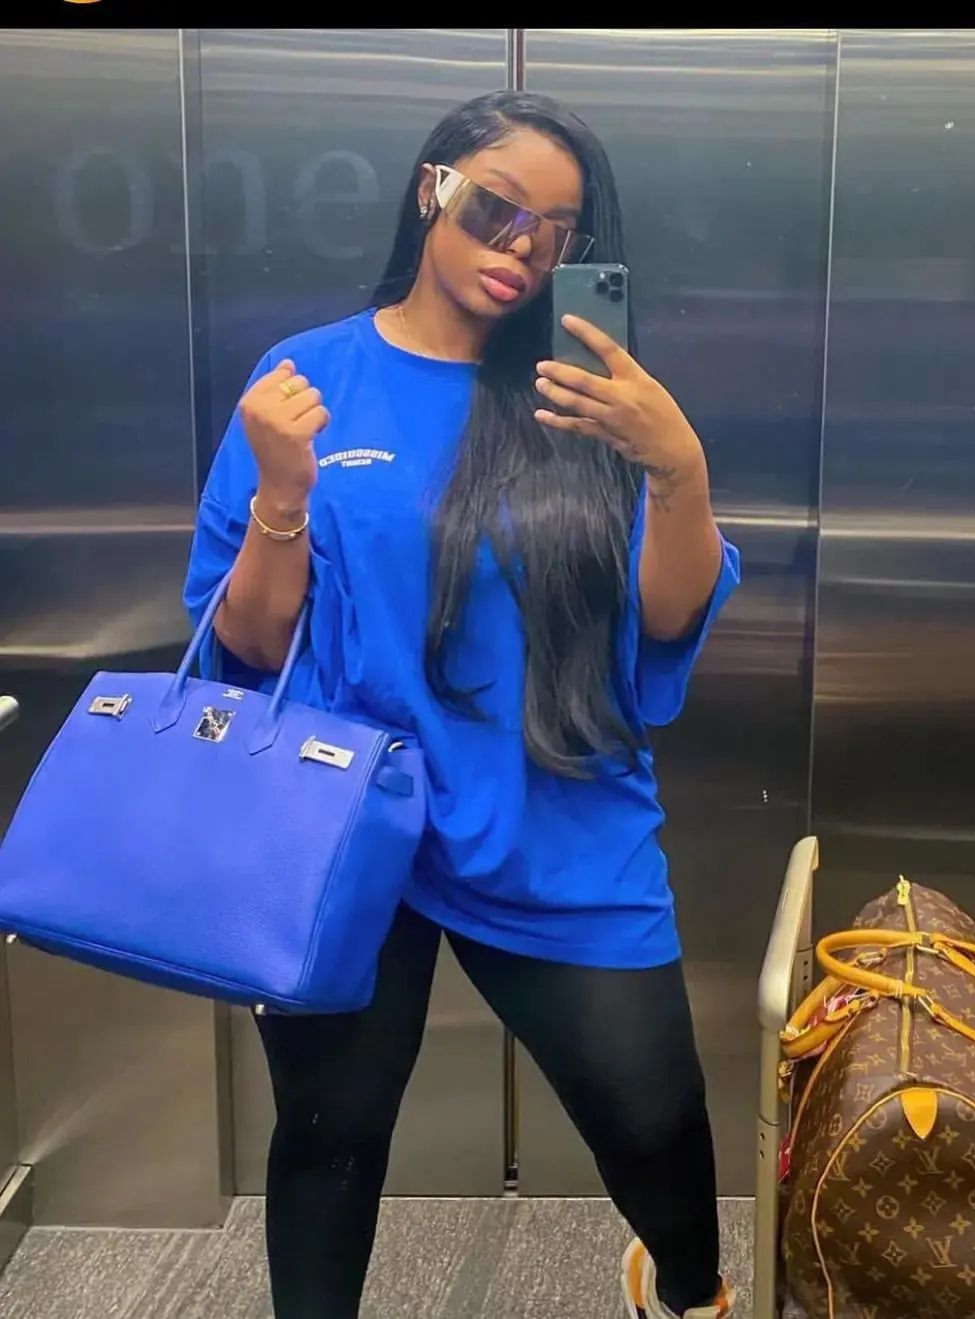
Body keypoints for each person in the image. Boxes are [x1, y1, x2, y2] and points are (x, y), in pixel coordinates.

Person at [184, 90, 740, 1319]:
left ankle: (685, 1290)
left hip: (551, 814)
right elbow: (248, 644)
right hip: (340, 823)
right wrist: (282, 492)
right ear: (430, 188)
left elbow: (664, 619)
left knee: (652, 1116)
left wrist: (677, 468)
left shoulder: (584, 390)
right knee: (327, 1132)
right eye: (496, 208)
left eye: (556, 229)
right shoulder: (304, 380)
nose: (521, 246)